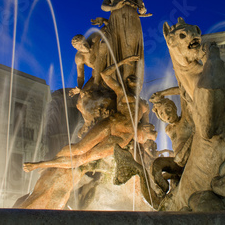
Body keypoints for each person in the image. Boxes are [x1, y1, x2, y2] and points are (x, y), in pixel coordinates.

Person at [23, 56, 156, 172]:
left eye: (138, 81)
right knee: (78, 148)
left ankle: (45, 164)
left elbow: (145, 127)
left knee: (83, 158)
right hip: (110, 124)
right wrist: (122, 62)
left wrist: (149, 135)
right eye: (131, 80)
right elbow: (105, 74)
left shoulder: (144, 106)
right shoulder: (122, 93)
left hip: (121, 139)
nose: (135, 82)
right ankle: (45, 163)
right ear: (127, 82)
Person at [101, 0, 147, 85]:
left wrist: (142, 10)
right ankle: (115, 82)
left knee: (129, 49)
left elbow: (142, 8)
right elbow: (103, 7)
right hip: (115, 22)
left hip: (131, 21)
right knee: (114, 48)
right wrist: (113, 8)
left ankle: (129, 82)